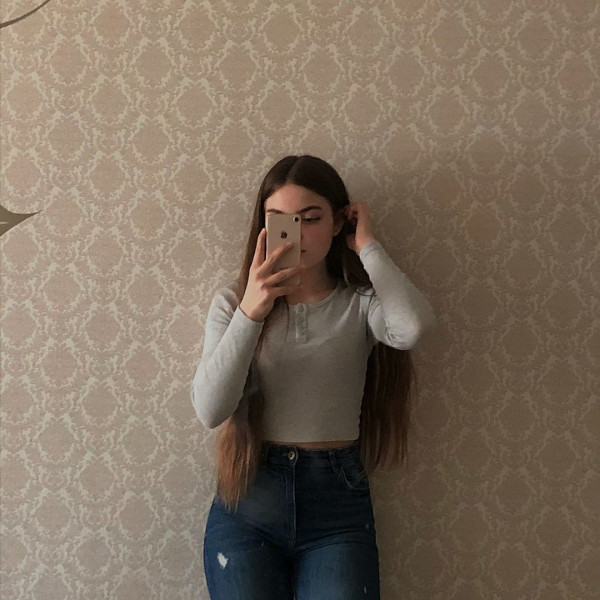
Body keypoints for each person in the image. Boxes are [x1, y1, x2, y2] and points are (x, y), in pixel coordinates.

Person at [190, 155, 435, 600]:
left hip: (336, 504)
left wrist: (368, 245)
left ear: (339, 222)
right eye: (281, 220)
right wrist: (253, 311)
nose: (296, 233)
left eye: (311, 218)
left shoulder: (359, 303)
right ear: (263, 226)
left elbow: (412, 328)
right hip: (248, 498)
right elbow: (210, 410)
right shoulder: (233, 302)